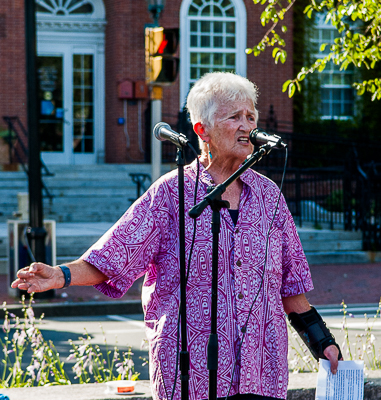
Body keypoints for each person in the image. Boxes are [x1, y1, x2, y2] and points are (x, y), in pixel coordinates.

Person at [12, 72, 341, 400]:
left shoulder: (270, 196)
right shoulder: (172, 193)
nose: (248, 126)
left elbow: (291, 287)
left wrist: (322, 342)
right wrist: (60, 275)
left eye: (251, 116)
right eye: (235, 117)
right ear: (202, 130)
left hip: (261, 373)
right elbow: (115, 255)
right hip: (188, 375)